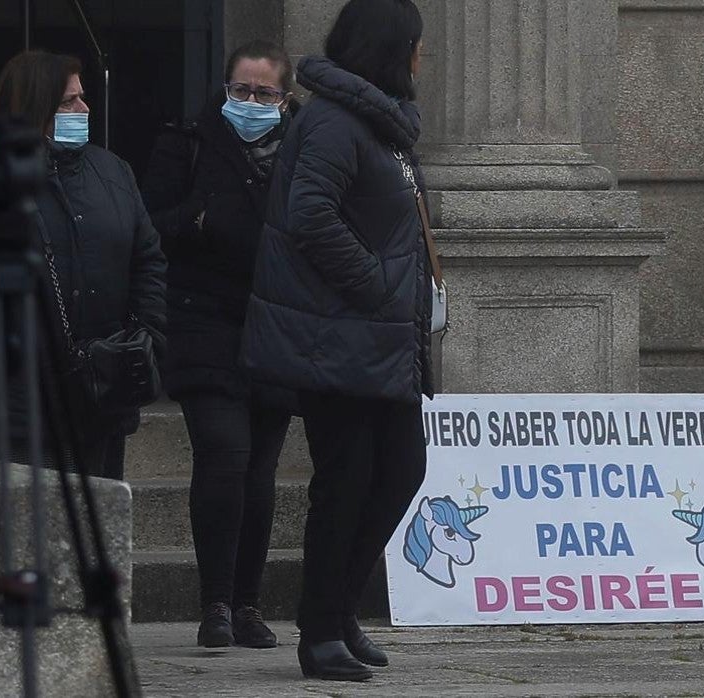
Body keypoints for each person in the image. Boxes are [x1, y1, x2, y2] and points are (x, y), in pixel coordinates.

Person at [241, 0, 432, 682]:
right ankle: (319, 630)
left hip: (382, 341)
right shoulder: (331, 122)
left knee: (401, 469)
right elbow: (310, 217)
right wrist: (379, 284)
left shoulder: (383, 127)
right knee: (346, 483)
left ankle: (340, 609)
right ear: (388, 48)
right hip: (337, 338)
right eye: (415, 44)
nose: (421, 57)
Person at [0, 51, 166, 480]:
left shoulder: (112, 172)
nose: (84, 109)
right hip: (16, 409)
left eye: (82, 97)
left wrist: (143, 335)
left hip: (100, 397)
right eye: (68, 102)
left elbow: (147, 258)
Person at [140, 41, 298, 650]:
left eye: (264, 94)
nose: (250, 103)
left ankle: (249, 603)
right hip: (203, 321)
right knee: (224, 457)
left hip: (275, 325)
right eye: (241, 90)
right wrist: (201, 218)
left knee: (260, 468)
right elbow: (149, 225)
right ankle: (216, 604)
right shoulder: (188, 142)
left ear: (286, 100)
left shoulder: (303, 151)